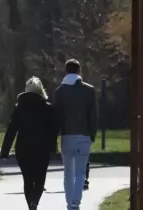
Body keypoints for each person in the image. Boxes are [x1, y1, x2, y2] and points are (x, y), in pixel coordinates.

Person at [0, 76, 59, 210]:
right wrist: (53, 147)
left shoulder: (19, 107)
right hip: (42, 149)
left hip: (23, 148)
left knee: (27, 178)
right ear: (40, 90)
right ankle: (35, 202)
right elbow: (53, 130)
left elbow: (11, 130)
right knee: (40, 177)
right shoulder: (47, 108)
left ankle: (30, 205)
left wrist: (5, 151)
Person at [52, 59, 97, 210]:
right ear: (79, 71)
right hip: (84, 135)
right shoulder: (89, 90)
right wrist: (92, 134)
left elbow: (55, 116)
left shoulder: (59, 92)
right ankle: (75, 202)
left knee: (68, 172)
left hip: (67, 135)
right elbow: (93, 115)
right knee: (80, 171)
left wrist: (54, 136)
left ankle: (69, 202)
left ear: (65, 71)